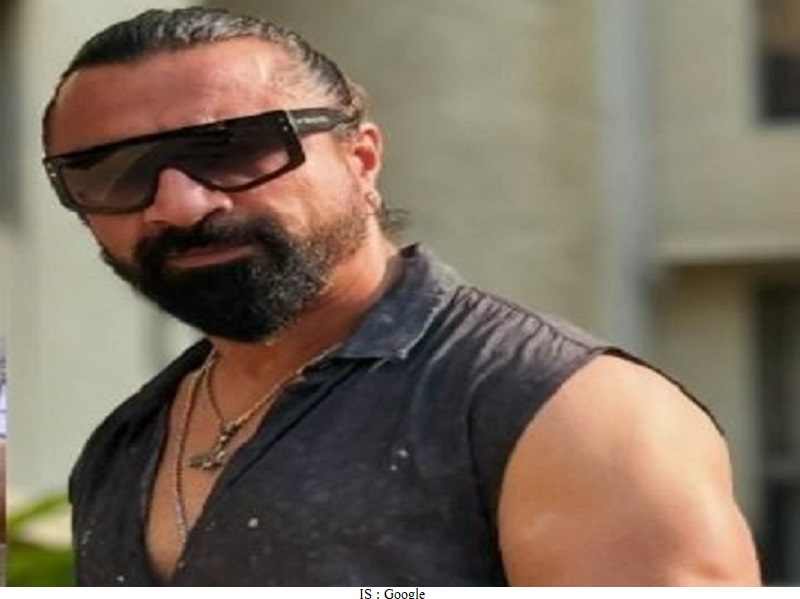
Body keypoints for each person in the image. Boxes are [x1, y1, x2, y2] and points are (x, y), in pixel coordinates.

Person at [42, 7, 760, 586]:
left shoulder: (569, 415)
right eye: (110, 172)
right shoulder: (127, 441)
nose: (179, 203)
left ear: (361, 159)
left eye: (232, 148)